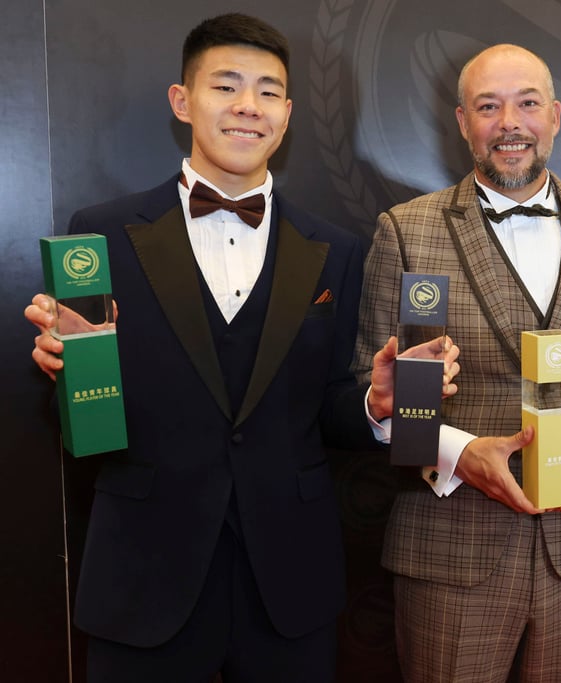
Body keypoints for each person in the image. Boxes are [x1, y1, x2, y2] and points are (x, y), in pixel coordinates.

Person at [24, 13, 457, 682]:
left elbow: (332, 409)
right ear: (182, 100)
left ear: (287, 113)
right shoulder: (101, 234)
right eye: (226, 86)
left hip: (290, 583)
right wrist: (61, 367)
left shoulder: (337, 248)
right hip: (145, 577)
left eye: (267, 91)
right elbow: (83, 421)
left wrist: (376, 402)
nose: (247, 107)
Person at [352, 44, 561, 683]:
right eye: (489, 106)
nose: (509, 122)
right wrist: (463, 454)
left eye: (527, 103)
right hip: (450, 547)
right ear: (462, 122)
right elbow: (375, 393)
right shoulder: (406, 230)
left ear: (557, 116)